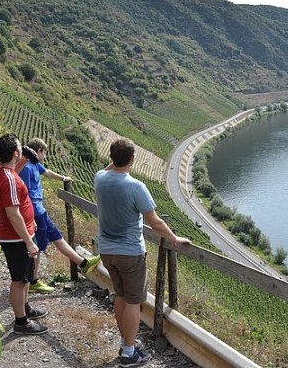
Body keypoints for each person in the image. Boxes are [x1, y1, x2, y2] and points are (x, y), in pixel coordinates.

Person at [94, 138, 190, 367]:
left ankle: (126, 341)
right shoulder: (136, 187)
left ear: (111, 157)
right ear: (133, 159)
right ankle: (128, 353)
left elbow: (108, 169)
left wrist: (115, 160)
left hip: (106, 250)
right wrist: (174, 238)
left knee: (120, 295)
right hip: (130, 253)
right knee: (134, 302)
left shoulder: (100, 179)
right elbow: (155, 222)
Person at [19, 137, 100, 293]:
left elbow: (47, 172)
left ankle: (83, 263)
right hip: (35, 212)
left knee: (57, 237)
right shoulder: (27, 168)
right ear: (39, 151)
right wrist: (30, 216)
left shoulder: (35, 165)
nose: (45, 157)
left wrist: (62, 178)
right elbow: (25, 193)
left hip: (40, 210)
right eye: (45, 153)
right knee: (38, 247)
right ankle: (33, 281)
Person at [0, 133, 48, 335]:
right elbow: (13, 213)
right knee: (19, 280)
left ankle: (26, 308)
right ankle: (21, 322)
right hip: (16, 237)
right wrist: (29, 242)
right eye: (20, 148)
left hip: (16, 235)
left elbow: (14, 170)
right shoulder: (10, 181)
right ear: (15, 152)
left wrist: (23, 160)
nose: (23, 148)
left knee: (24, 277)